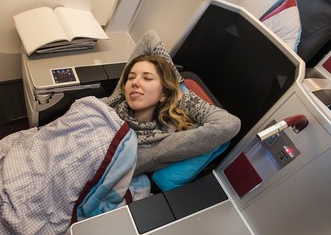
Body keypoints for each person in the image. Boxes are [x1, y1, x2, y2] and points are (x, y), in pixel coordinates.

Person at [103, 54, 241, 176]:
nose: (135, 82)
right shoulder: (111, 103)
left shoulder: (156, 145)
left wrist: (178, 94)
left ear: (163, 94)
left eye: (147, 78)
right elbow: (149, 37)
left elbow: (229, 124)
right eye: (131, 77)